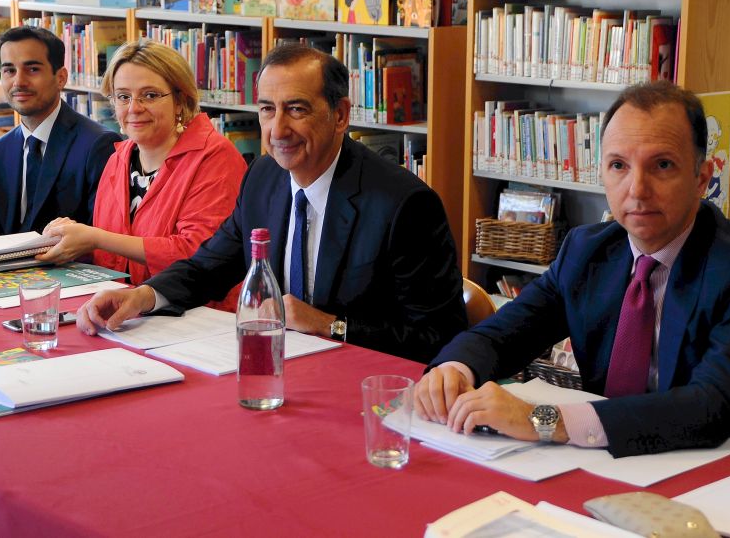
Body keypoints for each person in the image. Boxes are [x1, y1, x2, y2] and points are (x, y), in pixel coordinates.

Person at [416, 81, 730, 467]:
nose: (637, 189)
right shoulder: (586, 251)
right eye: (619, 165)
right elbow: (504, 334)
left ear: (701, 179)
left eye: (662, 165)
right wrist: (454, 370)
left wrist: (543, 421)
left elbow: (712, 406)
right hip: (613, 463)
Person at [74, 43, 467, 363]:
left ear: (340, 115)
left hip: (362, 382)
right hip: (280, 367)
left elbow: (440, 337)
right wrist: (143, 297)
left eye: (296, 109)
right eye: (267, 109)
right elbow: (207, 267)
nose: (278, 129)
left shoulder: (404, 205)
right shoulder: (264, 176)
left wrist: (331, 325)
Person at [35, 40, 246, 289]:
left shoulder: (216, 158)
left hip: (196, 308)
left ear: (180, 100)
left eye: (150, 95)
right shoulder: (118, 158)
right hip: (123, 302)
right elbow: (113, 256)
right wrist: (68, 242)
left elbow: (199, 255)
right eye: (123, 96)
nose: (134, 108)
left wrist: (95, 238)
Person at [0, 26, 120, 235]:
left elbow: (101, 236)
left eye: (33, 69)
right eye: (9, 71)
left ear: (60, 78)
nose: (19, 82)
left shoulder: (97, 145)